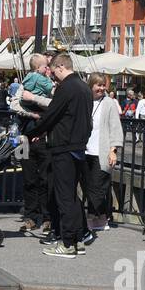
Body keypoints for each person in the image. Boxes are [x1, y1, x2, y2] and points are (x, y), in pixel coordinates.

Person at [25, 53, 92, 258]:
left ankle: (67, 243)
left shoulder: (66, 88)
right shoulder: (84, 88)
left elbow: (52, 114)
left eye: (54, 72)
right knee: (72, 196)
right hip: (79, 147)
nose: (53, 77)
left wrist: (31, 134)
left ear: (61, 67)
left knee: (64, 198)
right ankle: (79, 240)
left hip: (63, 147)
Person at [11, 53, 54, 234]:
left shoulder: (52, 87)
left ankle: (46, 217)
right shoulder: (26, 84)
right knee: (29, 179)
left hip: (45, 138)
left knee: (45, 179)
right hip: (25, 139)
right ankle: (30, 216)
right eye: (46, 66)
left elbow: (56, 105)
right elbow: (15, 105)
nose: (48, 69)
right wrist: (33, 114)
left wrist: (37, 103)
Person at [82, 72, 122, 234]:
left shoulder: (109, 103)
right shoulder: (85, 101)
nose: (101, 88)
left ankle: (93, 218)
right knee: (87, 185)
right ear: (91, 85)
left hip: (101, 151)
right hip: (85, 150)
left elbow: (115, 127)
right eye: (98, 85)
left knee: (97, 187)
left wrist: (113, 150)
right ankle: (101, 218)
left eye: (103, 85)